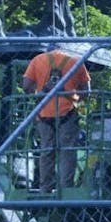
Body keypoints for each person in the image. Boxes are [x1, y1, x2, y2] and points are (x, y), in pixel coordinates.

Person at [21, 47, 91, 193]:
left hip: (44, 114)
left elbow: (26, 86)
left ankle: (45, 188)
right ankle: (66, 189)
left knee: (47, 151)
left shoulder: (37, 60)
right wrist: (72, 94)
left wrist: (41, 91)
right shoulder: (75, 61)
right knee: (67, 151)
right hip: (68, 114)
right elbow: (86, 91)